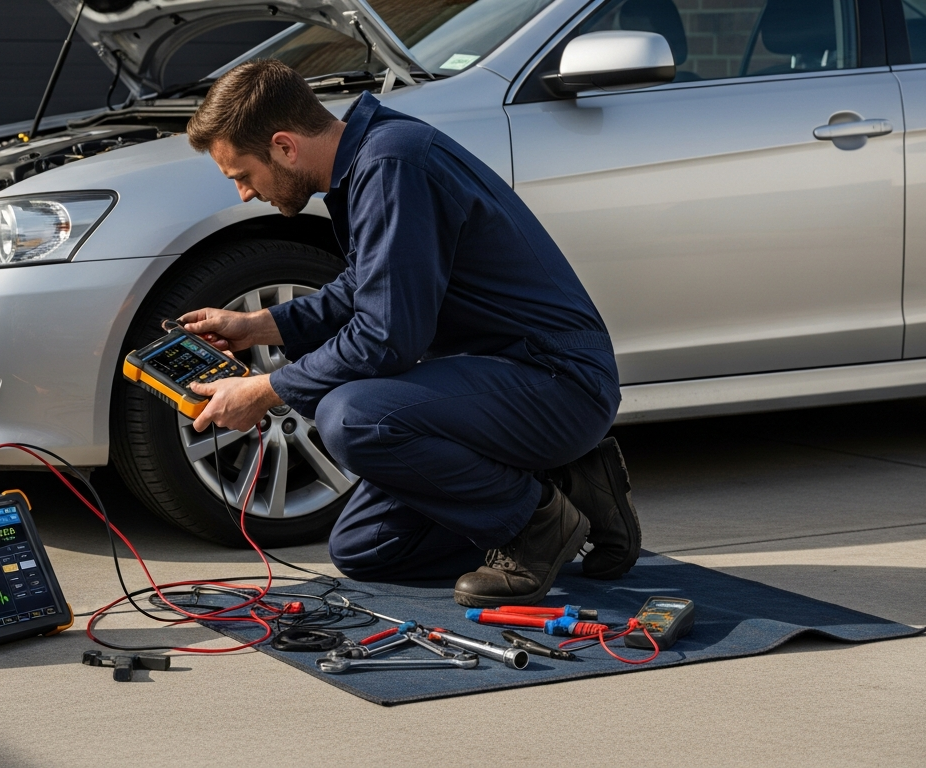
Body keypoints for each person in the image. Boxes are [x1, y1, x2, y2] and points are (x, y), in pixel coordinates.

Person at [176, 60, 641, 606]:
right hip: (494, 383)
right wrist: (262, 325)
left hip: (556, 381)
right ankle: (568, 493)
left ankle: (535, 526)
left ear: (284, 146)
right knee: (366, 550)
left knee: (352, 416)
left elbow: (387, 336)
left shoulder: (394, 163)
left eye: (242, 175)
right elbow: (365, 287)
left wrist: (265, 391)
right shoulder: (371, 158)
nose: (244, 194)